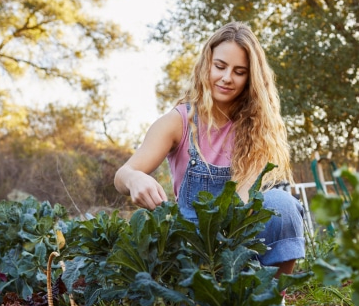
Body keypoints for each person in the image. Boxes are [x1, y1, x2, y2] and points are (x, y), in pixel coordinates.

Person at [114, 21, 305, 277]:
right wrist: (135, 178)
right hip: (192, 243)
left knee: (282, 204)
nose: (227, 78)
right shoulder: (178, 121)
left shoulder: (257, 128)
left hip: (238, 239)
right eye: (220, 66)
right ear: (207, 65)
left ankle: (272, 303)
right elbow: (122, 175)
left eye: (239, 71)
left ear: (251, 78)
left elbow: (247, 201)